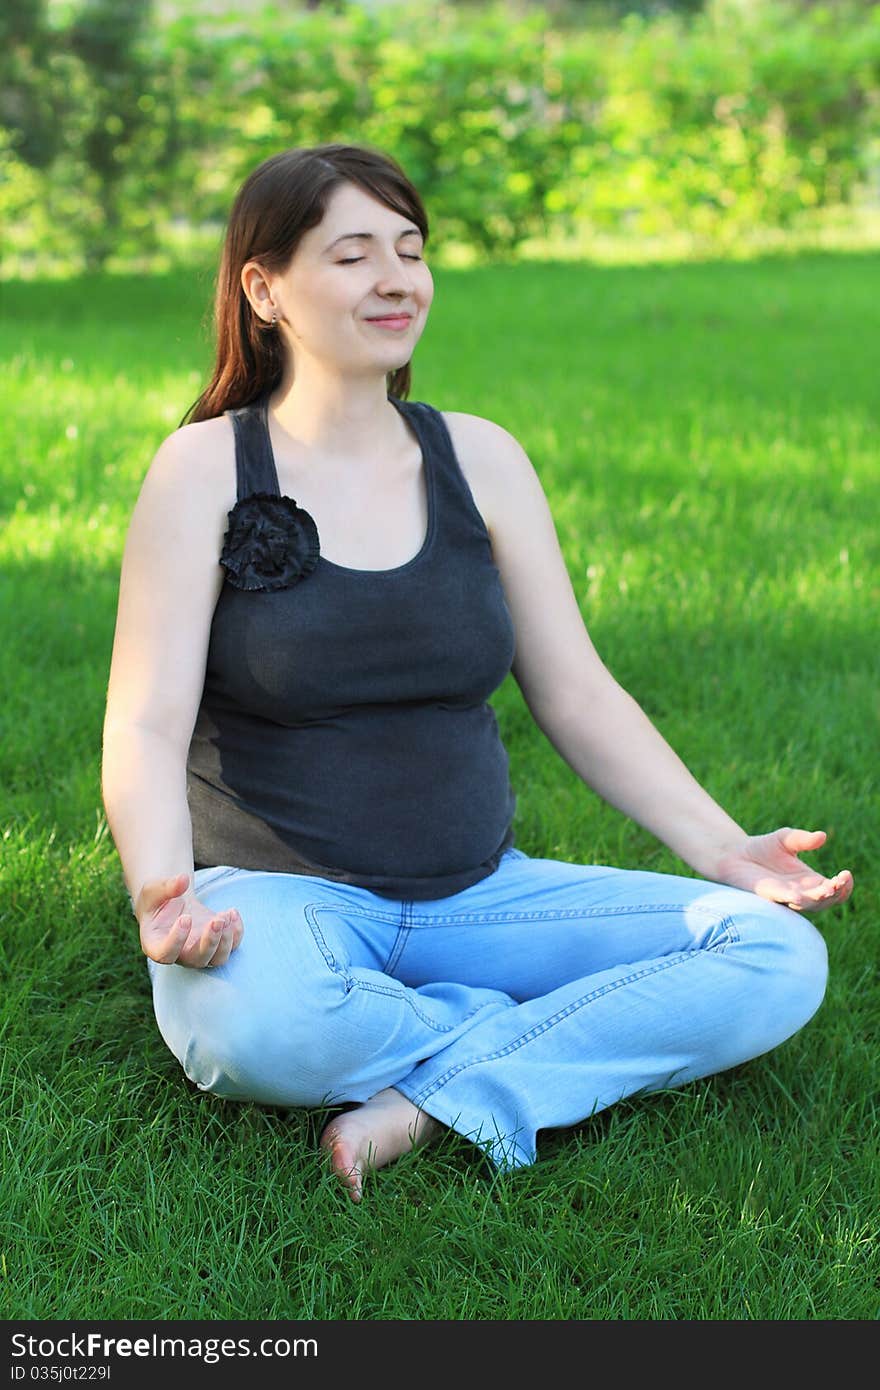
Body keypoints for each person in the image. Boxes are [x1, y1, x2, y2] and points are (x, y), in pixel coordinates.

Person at [101, 142, 852, 1204]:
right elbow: (143, 721)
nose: (396, 278)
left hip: (482, 894)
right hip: (277, 903)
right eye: (354, 254)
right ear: (263, 290)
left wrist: (721, 847)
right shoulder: (205, 468)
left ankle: (436, 1090)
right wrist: (161, 891)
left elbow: (578, 691)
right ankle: (537, 1035)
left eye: (409, 250)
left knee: (774, 958)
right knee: (256, 1030)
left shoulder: (481, 458)